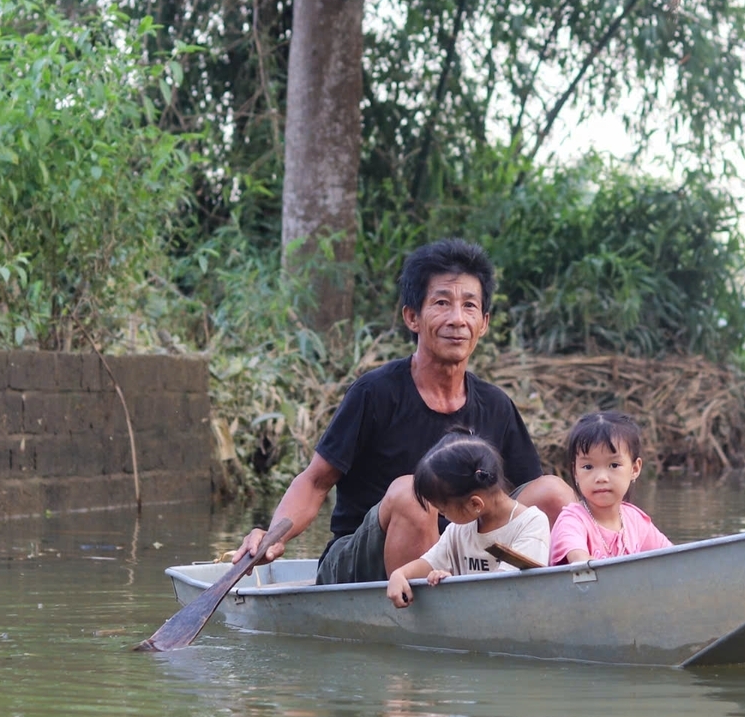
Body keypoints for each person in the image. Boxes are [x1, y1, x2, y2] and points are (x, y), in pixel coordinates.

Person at [237, 238, 576, 584]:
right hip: (362, 561)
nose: (457, 319)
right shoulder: (374, 393)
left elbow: (525, 500)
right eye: (442, 303)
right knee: (410, 494)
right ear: (412, 317)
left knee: (553, 492)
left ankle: (560, 601)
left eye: (469, 306)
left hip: (456, 561)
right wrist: (271, 537)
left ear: (484, 322)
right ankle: (420, 620)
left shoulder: (496, 405)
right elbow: (314, 482)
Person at [385, 434, 551, 608]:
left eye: (443, 509)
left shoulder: (530, 523)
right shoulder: (458, 530)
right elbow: (428, 563)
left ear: (475, 504)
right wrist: (400, 574)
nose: (442, 515)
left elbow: (505, 588)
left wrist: (456, 585)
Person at [549, 412, 672, 565]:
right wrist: (582, 559)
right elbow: (578, 559)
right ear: (575, 472)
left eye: (614, 465)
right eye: (588, 467)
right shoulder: (572, 520)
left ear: (635, 469)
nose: (601, 478)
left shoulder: (635, 520)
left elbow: (673, 559)